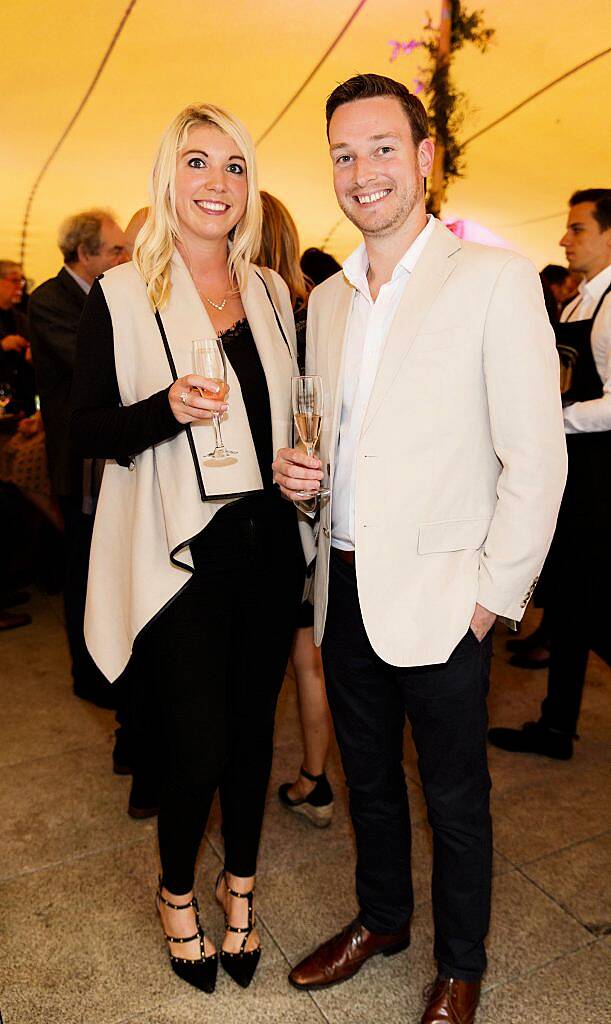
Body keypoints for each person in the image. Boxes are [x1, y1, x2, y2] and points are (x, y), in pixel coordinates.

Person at [273, 73, 567, 1024]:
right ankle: (382, 919)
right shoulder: (324, 299)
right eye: (343, 154)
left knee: (455, 795)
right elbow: (333, 436)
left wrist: (492, 598)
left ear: (424, 157)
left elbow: (535, 458)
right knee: (366, 778)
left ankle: (461, 960)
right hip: (343, 582)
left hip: (448, 595)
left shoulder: (492, 278)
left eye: (382, 148)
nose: (362, 173)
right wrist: (302, 479)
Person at [71, 103, 312, 994]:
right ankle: (178, 894)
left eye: (236, 167)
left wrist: (300, 462)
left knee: (254, 735)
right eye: (199, 164)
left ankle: (239, 887)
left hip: (269, 541)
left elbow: (287, 411)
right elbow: (88, 427)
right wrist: (163, 409)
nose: (218, 184)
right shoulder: (124, 292)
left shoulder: (270, 293)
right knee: (200, 740)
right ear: (169, 178)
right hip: (185, 553)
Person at [489, 188, 611, 761]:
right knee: (568, 602)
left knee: (583, 604)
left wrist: (555, 417)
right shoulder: (579, 301)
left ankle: (558, 725)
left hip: (599, 474)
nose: (564, 239)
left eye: (578, 229)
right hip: (573, 471)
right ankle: (557, 724)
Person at [28, 210, 129, 710]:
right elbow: (95, 365)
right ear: (84, 253)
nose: (122, 256)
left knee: (106, 568)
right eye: (114, 250)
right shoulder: (49, 300)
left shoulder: (104, 292)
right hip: (77, 462)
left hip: (108, 459)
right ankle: (87, 676)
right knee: (83, 569)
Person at [256, 190, 334, 827]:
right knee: (310, 655)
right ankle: (315, 778)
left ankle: (239, 784)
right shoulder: (321, 312)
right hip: (311, 505)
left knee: (260, 657)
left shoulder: (261, 317)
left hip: (272, 505)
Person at [0, 261, 35, 417]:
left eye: (22, 280)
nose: (20, 285)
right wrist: (1, 346)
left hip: (21, 407)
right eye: (14, 280)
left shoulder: (23, 318)